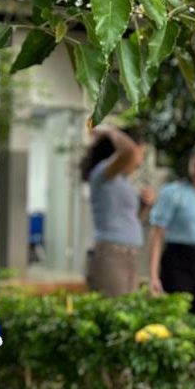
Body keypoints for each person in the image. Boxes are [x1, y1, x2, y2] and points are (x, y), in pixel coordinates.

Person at [80, 124, 155, 297]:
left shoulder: (121, 182)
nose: (140, 160)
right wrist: (107, 130)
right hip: (111, 255)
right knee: (116, 310)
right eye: (140, 153)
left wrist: (144, 205)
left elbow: (130, 220)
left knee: (128, 312)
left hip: (129, 254)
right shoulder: (101, 174)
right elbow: (128, 151)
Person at [148, 140, 195, 312]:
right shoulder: (174, 193)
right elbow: (157, 234)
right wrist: (153, 275)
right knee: (179, 313)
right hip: (178, 261)